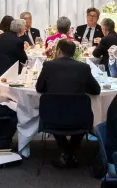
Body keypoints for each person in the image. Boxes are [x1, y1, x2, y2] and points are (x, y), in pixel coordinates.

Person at [35, 38, 100, 167]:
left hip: (52, 116)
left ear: (58, 50)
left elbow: (39, 88)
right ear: (74, 52)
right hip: (79, 118)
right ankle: (71, 151)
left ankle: (66, 151)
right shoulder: (83, 67)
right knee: (82, 114)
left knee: (54, 110)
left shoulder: (49, 66)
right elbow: (96, 90)